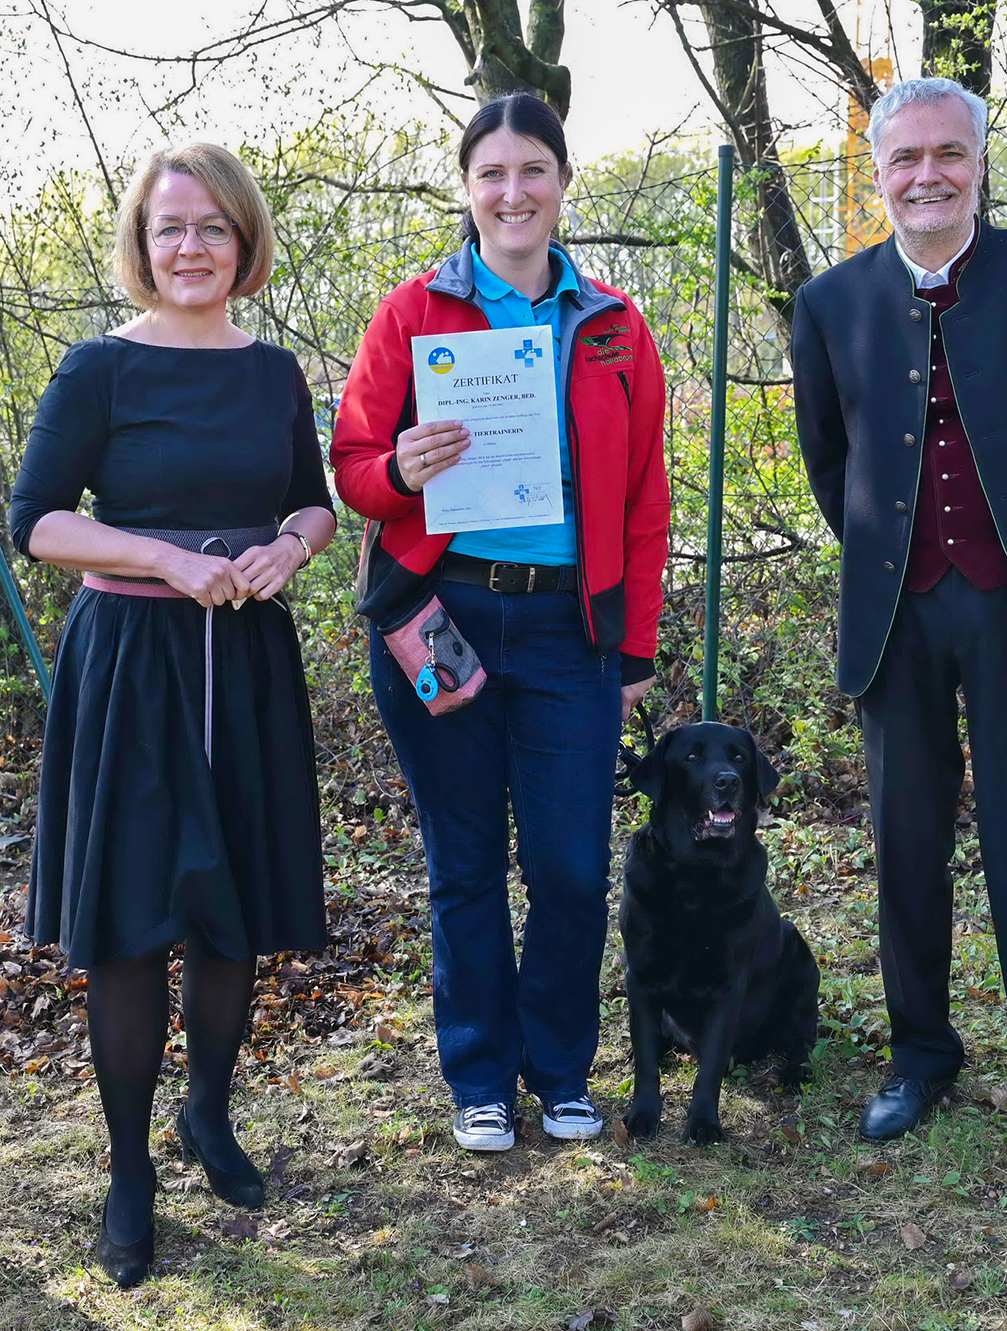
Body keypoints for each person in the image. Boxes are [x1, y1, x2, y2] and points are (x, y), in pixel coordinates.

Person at [788, 77, 1007, 1196]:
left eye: (948, 154)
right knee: (905, 843)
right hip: (895, 608)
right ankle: (920, 1055)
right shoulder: (828, 303)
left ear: (978, 164)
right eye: (904, 160)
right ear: (877, 173)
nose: (927, 175)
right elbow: (827, 464)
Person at [9, 143, 337, 1288]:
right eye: (169, 228)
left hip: (244, 656)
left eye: (210, 227)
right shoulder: (97, 369)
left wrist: (291, 548)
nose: (189, 247)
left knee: (230, 908)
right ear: (141, 246)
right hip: (134, 665)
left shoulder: (273, 373)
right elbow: (39, 522)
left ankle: (208, 1116)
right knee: (136, 921)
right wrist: (162, 559)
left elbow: (313, 499)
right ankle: (128, 1171)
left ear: (243, 242)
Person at [330, 94, 671, 1155]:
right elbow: (350, 471)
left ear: (562, 184)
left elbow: (648, 499)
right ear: (466, 189)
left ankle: (560, 1069)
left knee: (570, 867)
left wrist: (634, 648)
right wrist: (400, 471)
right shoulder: (410, 316)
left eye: (533, 171)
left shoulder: (613, 325)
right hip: (443, 618)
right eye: (492, 174)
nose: (512, 193)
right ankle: (479, 1076)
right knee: (466, 862)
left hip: (571, 634)